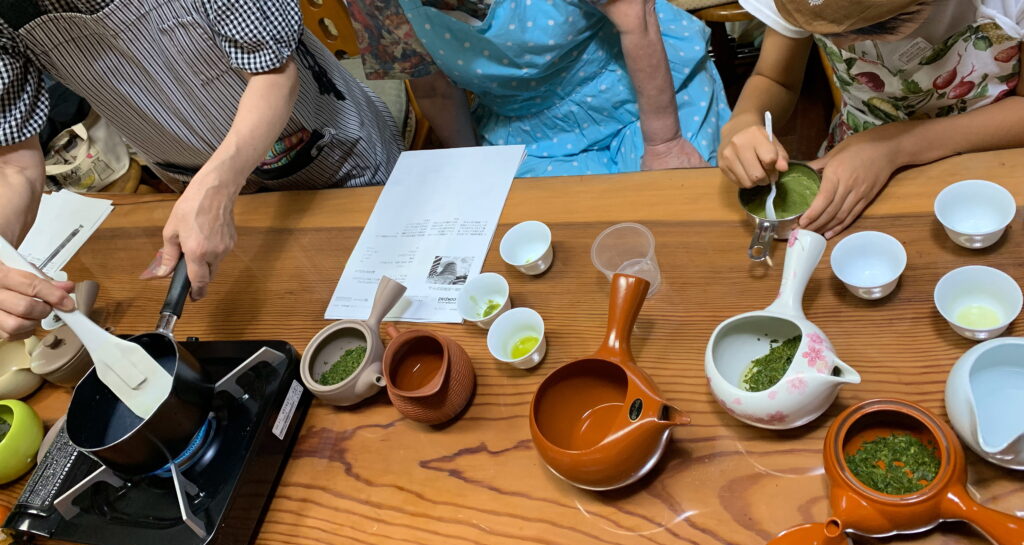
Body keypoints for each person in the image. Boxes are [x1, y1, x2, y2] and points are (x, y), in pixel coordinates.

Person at [0, 0, 403, 341]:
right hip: (192, 178)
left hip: (321, 150)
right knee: (295, 306)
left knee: (400, 295)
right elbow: (16, 166)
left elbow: (274, 74)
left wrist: (216, 184)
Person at [719, 0, 1024, 238]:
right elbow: (774, 79)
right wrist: (744, 120)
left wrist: (895, 146)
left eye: (869, 28)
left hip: (985, 158)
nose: (836, 46)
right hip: (854, 157)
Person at [346, 0, 731, 176]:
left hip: (637, 90)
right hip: (524, 126)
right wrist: (475, 170)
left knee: (674, 200)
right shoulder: (373, 5)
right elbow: (433, 90)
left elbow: (635, 16)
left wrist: (663, 146)